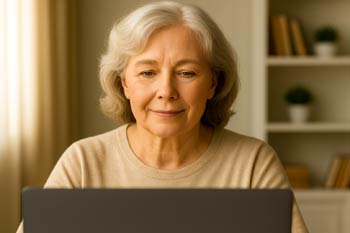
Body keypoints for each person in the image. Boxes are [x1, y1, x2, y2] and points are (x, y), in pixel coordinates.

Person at [16, 1, 308, 233]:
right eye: (147, 73)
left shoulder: (253, 162)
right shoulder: (83, 161)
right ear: (124, 84)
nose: (166, 91)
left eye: (186, 73)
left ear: (213, 84)